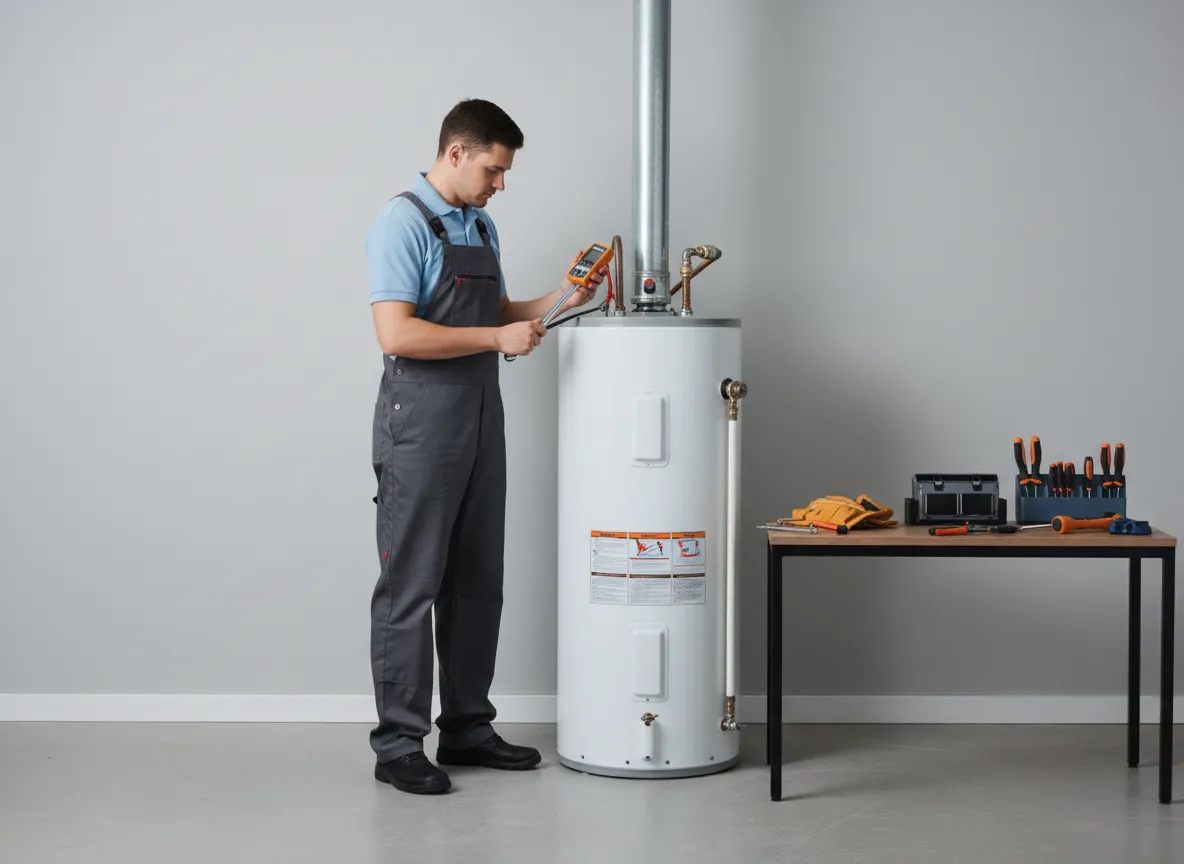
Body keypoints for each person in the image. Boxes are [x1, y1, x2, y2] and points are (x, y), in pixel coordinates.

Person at [363, 98, 606, 795]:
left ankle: (466, 727)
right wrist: (497, 341)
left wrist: (561, 295)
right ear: (457, 152)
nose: (501, 184)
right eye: (495, 170)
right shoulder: (400, 222)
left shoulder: (480, 225)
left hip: (478, 421)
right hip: (419, 426)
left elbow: (494, 312)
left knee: (477, 584)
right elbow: (397, 333)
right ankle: (398, 743)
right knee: (411, 586)